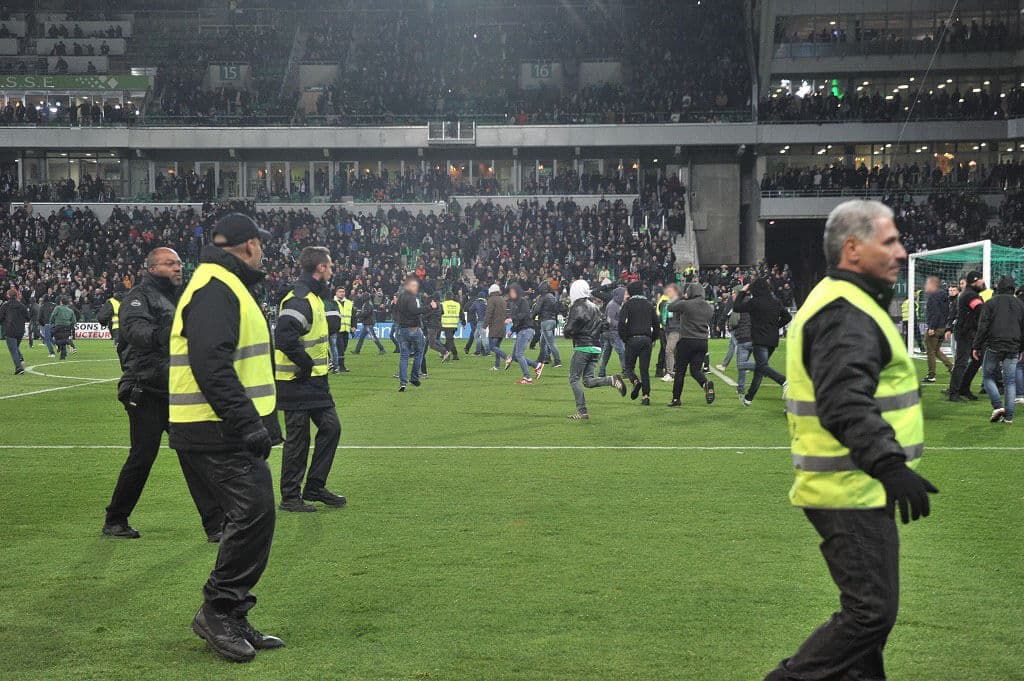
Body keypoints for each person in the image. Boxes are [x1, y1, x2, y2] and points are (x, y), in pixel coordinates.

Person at [765, 199, 937, 681]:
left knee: (867, 633)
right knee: (870, 615)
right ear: (854, 249)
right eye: (891, 241)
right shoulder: (845, 312)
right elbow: (844, 400)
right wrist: (889, 464)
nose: (902, 251)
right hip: (850, 489)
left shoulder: (847, 301)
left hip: (854, 485)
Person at [168, 213, 284, 663]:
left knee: (254, 517)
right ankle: (217, 611)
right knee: (252, 516)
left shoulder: (218, 283)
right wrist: (247, 423)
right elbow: (211, 364)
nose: (264, 251)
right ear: (250, 245)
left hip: (213, 426)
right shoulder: (217, 287)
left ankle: (231, 612)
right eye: (261, 244)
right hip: (215, 430)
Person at [102, 247, 224, 541]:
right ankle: (115, 520)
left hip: (173, 388)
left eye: (179, 262)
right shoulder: (138, 297)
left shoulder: (179, 297)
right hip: (145, 389)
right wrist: (172, 331)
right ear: (152, 268)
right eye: (170, 263)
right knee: (143, 456)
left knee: (192, 452)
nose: (178, 268)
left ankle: (216, 525)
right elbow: (135, 332)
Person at [274, 246, 346, 512]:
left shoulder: (312, 296)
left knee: (331, 428)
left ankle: (314, 486)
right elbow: (283, 338)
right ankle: (290, 497)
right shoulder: (299, 298)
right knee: (298, 439)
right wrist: (304, 365)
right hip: (296, 380)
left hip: (314, 381)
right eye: (329, 265)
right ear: (320, 268)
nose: (332, 269)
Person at [563, 279, 626, 419]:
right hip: (596, 348)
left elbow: (570, 328)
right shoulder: (595, 306)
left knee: (574, 379)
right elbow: (606, 325)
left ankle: (582, 411)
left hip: (583, 347)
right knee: (588, 381)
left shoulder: (577, 306)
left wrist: (569, 331)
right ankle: (611, 380)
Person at [973, 275, 1024, 424]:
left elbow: (982, 327)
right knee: (1010, 382)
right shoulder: (1020, 304)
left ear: (998, 287)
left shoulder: (990, 303)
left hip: (994, 345)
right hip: (1014, 347)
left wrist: (976, 346)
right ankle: (1008, 417)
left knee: (988, 377)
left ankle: (997, 406)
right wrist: (1021, 349)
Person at [733, 277, 791, 406]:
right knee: (761, 368)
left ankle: (783, 381)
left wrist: (742, 292)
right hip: (773, 339)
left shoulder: (754, 302)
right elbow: (788, 317)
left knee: (762, 366)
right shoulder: (776, 302)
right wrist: (776, 326)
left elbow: (736, 307)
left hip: (759, 339)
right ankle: (749, 398)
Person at [666, 282, 715, 407]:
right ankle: (705, 383)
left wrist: (683, 297)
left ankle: (676, 399)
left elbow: (670, 307)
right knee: (695, 370)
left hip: (687, 340)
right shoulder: (709, 307)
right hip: (703, 342)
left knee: (680, 372)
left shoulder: (685, 304)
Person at [618, 280, 659, 406]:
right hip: (646, 339)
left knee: (629, 367)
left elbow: (621, 323)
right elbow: (656, 325)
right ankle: (646, 397)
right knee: (644, 370)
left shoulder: (628, 305)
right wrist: (652, 338)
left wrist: (625, 338)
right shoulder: (649, 305)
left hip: (632, 339)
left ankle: (635, 381)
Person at [948, 271, 987, 402]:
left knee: (976, 360)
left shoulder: (971, 294)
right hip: (966, 333)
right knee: (961, 363)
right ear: (975, 281)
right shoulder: (971, 295)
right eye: (981, 280)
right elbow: (980, 310)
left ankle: (964, 388)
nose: (983, 283)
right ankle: (953, 393)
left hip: (969, 332)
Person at [394, 275, 429, 392]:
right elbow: (415, 311)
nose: (416, 288)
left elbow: (395, 311)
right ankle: (414, 377)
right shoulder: (412, 298)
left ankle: (403, 382)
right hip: (413, 329)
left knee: (404, 356)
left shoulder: (400, 298)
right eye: (414, 286)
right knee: (420, 351)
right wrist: (430, 307)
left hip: (402, 329)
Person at [506, 284, 542, 384]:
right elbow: (518, 320)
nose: (511, 293)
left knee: (519, 355)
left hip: (526, 330)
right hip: (521, 330)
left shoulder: (523, 301)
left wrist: (511, 319)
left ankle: (527, 378)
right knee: (515, 356)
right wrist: (512, 330)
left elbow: (525, 314)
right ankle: (536, 366)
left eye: (512, 292)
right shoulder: (514, 303)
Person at [922, 276, 954, 383]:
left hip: (935, 328)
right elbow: (945, 312)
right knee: (936, 351)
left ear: (932, 284)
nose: (926, 286)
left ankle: (931, 375)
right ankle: (951, 367)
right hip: (943, 327)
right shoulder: (944, 295)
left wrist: (931, 327)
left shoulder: (933, 296)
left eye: (927, 283)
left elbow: (935, 313)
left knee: (930, 351)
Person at [598, 286, 626, 378]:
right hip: (613, 332)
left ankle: (601, 371)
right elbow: (610, 320)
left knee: (607, 353)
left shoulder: (615, 304)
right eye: (624, 294)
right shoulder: (613, 305)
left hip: (609, 332)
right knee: (622, 351)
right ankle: (625, 371)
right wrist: (622, 324)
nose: (625, 295)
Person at [533, 280, 562, 367]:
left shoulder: (543, 297)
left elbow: (537, 309)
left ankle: (557, 361)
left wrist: (531, 317)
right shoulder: (553, 297)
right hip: (553, 320)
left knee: (550, 343)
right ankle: (541, 359)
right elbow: (557, 309)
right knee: (542, 342)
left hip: (546, 321)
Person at [0, 288, 28, 375]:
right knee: (15, 347)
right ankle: (20, 359)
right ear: (16, 295)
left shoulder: (5, 306)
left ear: (8, 296)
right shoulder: (22, 306)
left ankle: (19, 368)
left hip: (9, 330)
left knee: (13, 350)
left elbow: (0, 317)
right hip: (20, 331)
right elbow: (28, 317)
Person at [483, 283, 508, 371]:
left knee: (492, 347)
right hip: (502, 327)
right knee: (497, 347)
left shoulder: (491, 300)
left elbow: (489, 313)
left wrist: (484, 326)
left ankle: (506, 357)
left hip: (494, 327)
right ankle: (497, 366)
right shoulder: (502, 299)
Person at [659, 284, 681, 382]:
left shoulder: (679, 303)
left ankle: (670, 373)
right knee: (673, 351)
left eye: (670, 291)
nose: (668, 293)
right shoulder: (666, 303)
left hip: (676, 329)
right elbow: (662, 315)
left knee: (669, 350)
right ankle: (674, 371)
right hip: (667, 329)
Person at [352, 289, 384, 354]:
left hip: (368, 323)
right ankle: (357, 350)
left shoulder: (367, 304)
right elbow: (366, 313)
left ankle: (382, 349)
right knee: (361, 338)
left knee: (373, 337)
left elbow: (366, 313)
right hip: (367, 323)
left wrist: (358, 316)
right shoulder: (368, 303)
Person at [333, 286, 353, 372]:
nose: (342, 293)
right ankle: (341, 366)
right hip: (336, 329)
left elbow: (353, 315)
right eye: (340, 291)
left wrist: (354, 326)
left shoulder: (349, 303)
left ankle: (335, 363)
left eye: (343, 292)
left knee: (343, 348)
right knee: (340, 348)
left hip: (346, 329)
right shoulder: (332, 303)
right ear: (336, 293)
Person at [323, 289, 342, 374]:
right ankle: (336, 367)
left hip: (325, 328)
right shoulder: (335, 303)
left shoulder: (321, 303)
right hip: (334, 328)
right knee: (334, 347)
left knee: (323, 346)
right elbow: (339, 316)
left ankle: (329, 362)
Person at [440, 291, 461, 362]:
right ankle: (444, 352)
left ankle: (455, 355)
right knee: (449, 340)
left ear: (445, 297)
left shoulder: (443, 304)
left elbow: (439, 313)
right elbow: (461, 313)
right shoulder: (457, 304)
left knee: (450, 340)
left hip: (446, 324)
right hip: (454, 324)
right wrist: (463, 322)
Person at [465, 290, 488, 356]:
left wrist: (475, 312)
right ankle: (479, 351)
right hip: (485, 320)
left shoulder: (476, 302)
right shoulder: (486, 302)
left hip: (480, 320)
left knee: (481, 336)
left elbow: (470, 309)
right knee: (477, 335)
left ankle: (486, 351)